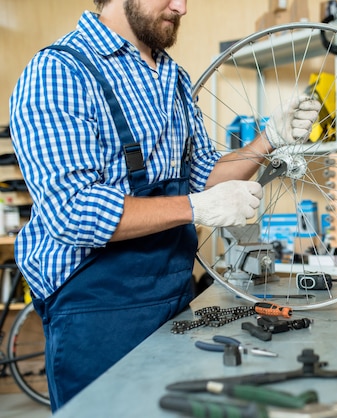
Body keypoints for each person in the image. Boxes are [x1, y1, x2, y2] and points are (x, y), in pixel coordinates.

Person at [9, 0, 321, 411]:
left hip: (172, 294)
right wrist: (194, 207)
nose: (182, 7)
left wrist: (268, 140)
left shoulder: (172, 77)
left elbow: (202, 176)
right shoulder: (59, 72)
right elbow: (73, 211)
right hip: (94, 308)